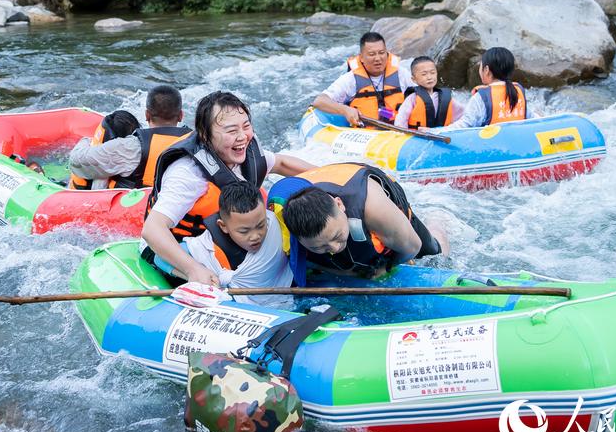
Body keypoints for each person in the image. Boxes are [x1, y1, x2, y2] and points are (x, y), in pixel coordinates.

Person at [140, 90, 314, 285]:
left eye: (246, 126)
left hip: (231, 234)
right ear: (206, 135)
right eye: (232, 131)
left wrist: (330, 177)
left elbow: (281, 163)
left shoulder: (244, 151)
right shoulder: (188, 173)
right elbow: (152, 230)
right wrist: (193, 269)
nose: (242, 137)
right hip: (181, 247)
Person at [277, 162, 449, 278]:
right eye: (319, 247)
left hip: (370, 193)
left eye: (337, 236)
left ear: (340, 205)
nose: (335, 248)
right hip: (321, 181)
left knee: (435, 256)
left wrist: (387, 266)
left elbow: (413, 246)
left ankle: (437, 219)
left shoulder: (374, 210)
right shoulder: (283, 226)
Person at [153, 182, 293, 305]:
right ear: (223, 226)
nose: (255, 236)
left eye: (261, 225)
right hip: (233, 305)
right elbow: (159, 258)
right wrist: (195, 272)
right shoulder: (207, 246)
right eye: (244, 231)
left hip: (285, 301)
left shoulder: (278, 226)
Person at [68, 86, 191, 189]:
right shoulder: (198, 142)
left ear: (147, 115)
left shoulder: (130, 146)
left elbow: (77, 161)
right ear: (181, 115)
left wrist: (88, 141)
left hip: (137, 210)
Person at [312, 32, 414, 126]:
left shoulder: (402, 74)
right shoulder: (351, 79)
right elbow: (319, 101)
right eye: (372, 54)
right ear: (361, 57)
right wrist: (345, 110)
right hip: (365, 134)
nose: (378, 58)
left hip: (398, 130)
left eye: (381, 53)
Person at [423, 47, 535, 132]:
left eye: (480, 66)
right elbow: (533, 118)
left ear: (486, 70)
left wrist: (435, 131)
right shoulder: (518, 90)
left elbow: (465, 125)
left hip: (491, 148)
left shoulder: (482, 97)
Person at [394, 56, 463, 129]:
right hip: (417, 137)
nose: (429, 77)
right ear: (414, 79)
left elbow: (464, 115)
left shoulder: (446, 98)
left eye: (432, 73)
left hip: (442, 135)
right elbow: (400, 122)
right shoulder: (412, 99)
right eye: (424, 74)